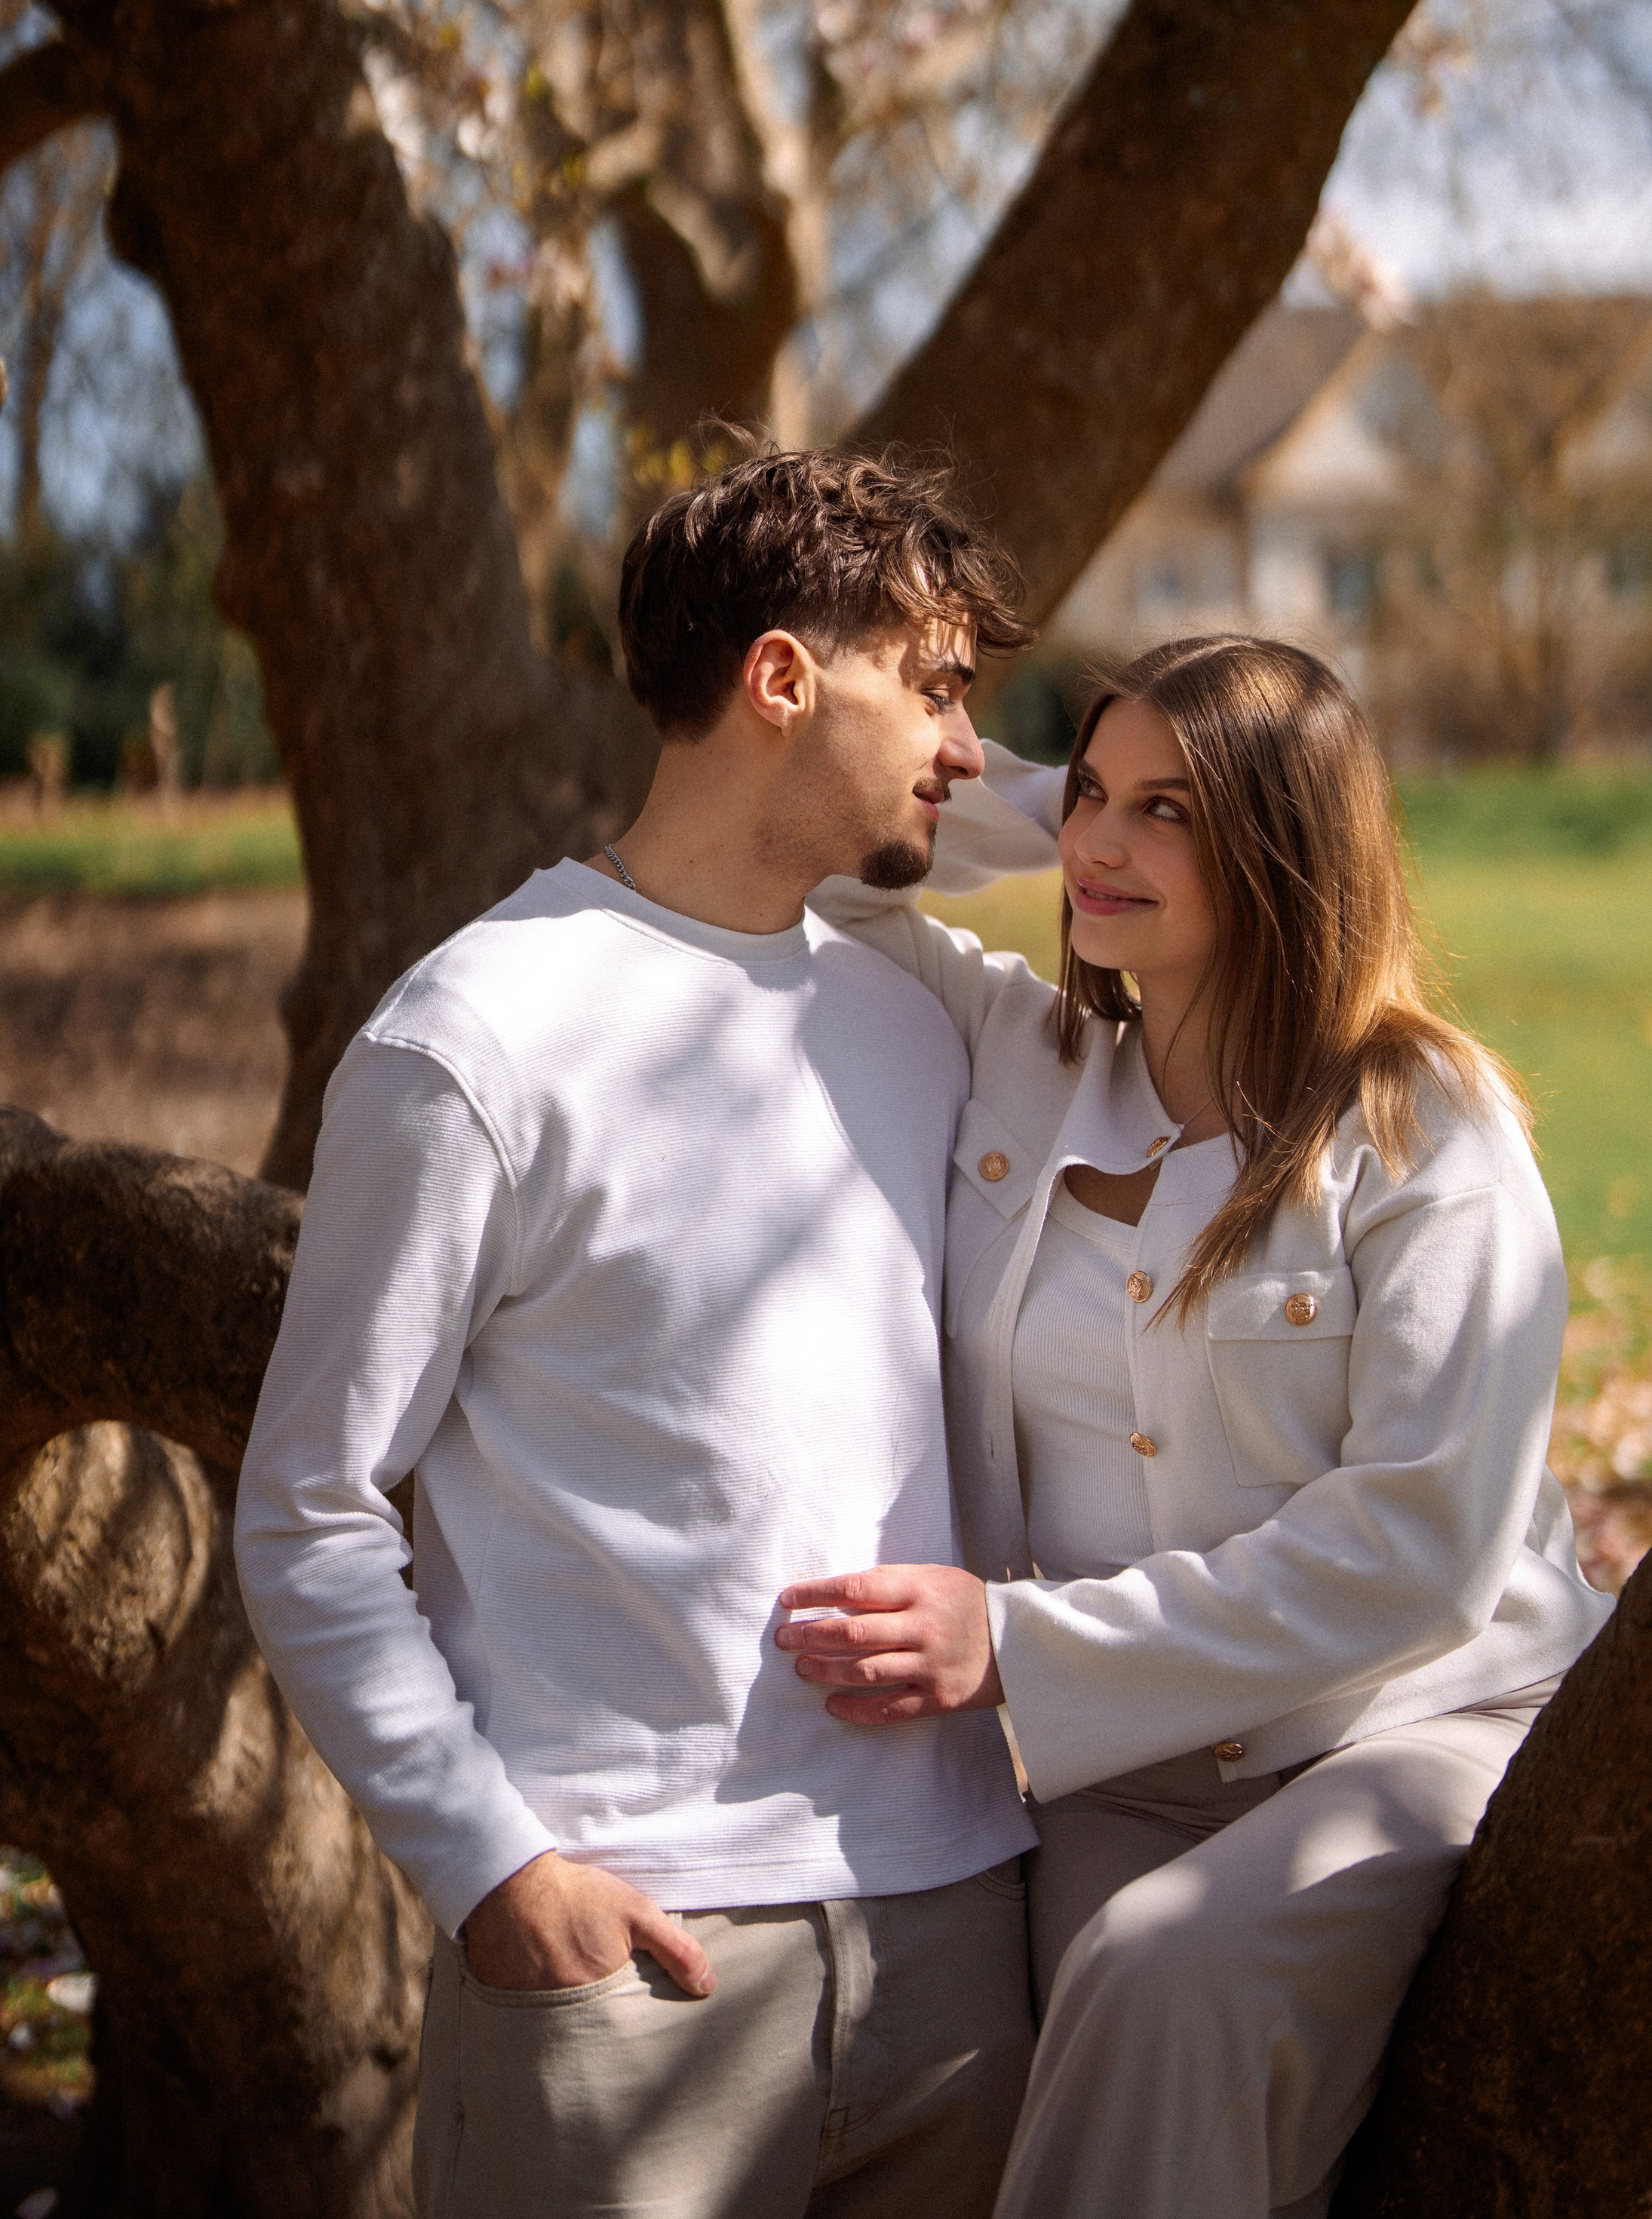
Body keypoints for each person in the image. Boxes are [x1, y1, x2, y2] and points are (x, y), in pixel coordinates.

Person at [234, 447, 1059, 2219]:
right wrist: (489, 1870)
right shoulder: (473, 1040)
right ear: (778, 679)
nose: (964, 749)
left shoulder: (925, 1011)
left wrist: (963, 767)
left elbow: (1176, 835)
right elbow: (306, 1508)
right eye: (929, 685)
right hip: (625, 1961)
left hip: (955, 1937)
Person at [778, 632, 1615, 2219]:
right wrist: (1060, 800)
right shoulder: (1017, 1056)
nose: (1098, 844)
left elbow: (1421, 1551)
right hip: (1118, 1767)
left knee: (1165, 1984)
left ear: (1282, 844)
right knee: (1019, 2045)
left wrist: (1015, 1649)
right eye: (1092, 797)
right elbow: (829, 857)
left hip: (1407, 1724)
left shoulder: (1423, 1124)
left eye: (1170, 813)